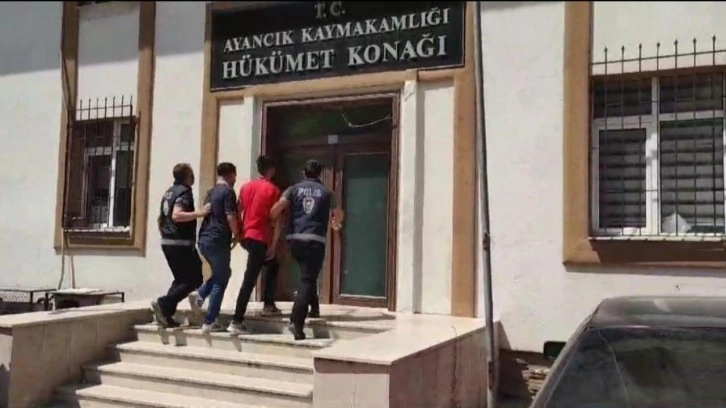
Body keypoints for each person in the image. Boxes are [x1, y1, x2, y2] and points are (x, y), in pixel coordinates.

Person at [270, 159, 344, 340]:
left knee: (307, 275)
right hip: (315, 241)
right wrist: (336, 223)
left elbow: (276, 209)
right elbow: (338, 213)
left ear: (304, 173)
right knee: (307, 280)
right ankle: (296, 322)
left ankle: (315, 308)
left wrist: (274, 222)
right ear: (319, 174)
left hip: (295, 240)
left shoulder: (293, 189)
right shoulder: (327, 192)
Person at [227, 155, 284, 334]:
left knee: (272, 264)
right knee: (250, 279)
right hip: (261, 237)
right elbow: (276, 219)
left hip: (247, 236)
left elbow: (238, 210)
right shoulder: (273, 190)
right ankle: (237, 320)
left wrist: (238, 233)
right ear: (271, 170)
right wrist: (273, 245)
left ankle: (268, 304)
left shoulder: (246, 187)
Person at [151, 163, 210, 328]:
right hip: (180, 243)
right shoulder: (184, 192)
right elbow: (177, 215)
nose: (193, 176)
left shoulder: (169, 192)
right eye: (191, 173)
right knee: (194, 278)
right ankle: (164, 304)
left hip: (168, 241)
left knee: (181, 280)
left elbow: (162, 217)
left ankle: (164, 314)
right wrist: (201, 213)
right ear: (187, 175)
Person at [188, 162, 239, 333]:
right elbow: (230, 216)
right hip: (218, 240)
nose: (235, 179)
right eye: (234, 176)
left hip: (204, 239)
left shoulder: (211, 192)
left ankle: (201, 294)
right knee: (220, 280)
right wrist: (237, 233)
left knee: (222, 273)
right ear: (230, 175)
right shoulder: (228, 192)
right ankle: (210, 320)